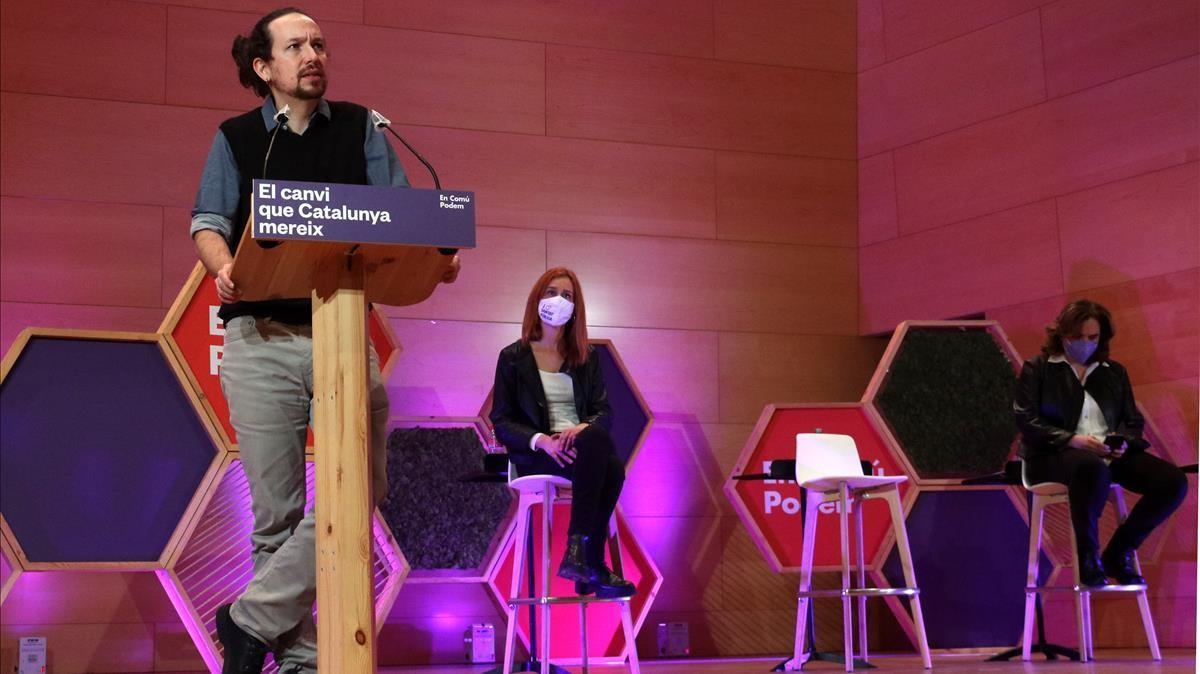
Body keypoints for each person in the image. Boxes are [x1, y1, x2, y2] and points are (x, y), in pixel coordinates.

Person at [190, 7, 459, 673]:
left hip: (342, 332)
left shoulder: (364, 128)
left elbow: (400, 218)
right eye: (296, 46)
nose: (313, 54)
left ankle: (249, 616)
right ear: (264, 67)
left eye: (319, 43)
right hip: (261, 338)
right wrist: (224, 267)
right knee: (276, 517)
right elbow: (207, 222)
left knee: (358, 489)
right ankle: (303, 662)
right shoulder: (237, 138)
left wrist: (437, 252)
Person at [1014, 299, 1186, 587]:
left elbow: (1132, 421)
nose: (1084, 343)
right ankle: (1088, 557)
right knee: (1091, 468)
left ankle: (1118, 552)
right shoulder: (1039, 368)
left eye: (1092, 337)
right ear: (1061, 334)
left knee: (1173, 481)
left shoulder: (1113, 372)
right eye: (1076, 337)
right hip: (1053, 454)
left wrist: (1124, 444)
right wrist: (1075, 440)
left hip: (1105, 454)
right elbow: (1026, 421)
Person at [489, 268, 635, 598]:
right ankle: (587, 561)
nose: (559, 301)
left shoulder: (587, 357)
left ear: (576, 307)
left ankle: (582, 558)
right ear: (537, 299)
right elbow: (501, 421)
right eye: (552, 292)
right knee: (610, 465)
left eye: (567, 296)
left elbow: (603, 411)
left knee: (599, 444)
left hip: (581, 448)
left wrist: (584, 427)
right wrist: (543, 441)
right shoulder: (512, 358)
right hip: (538, 454)